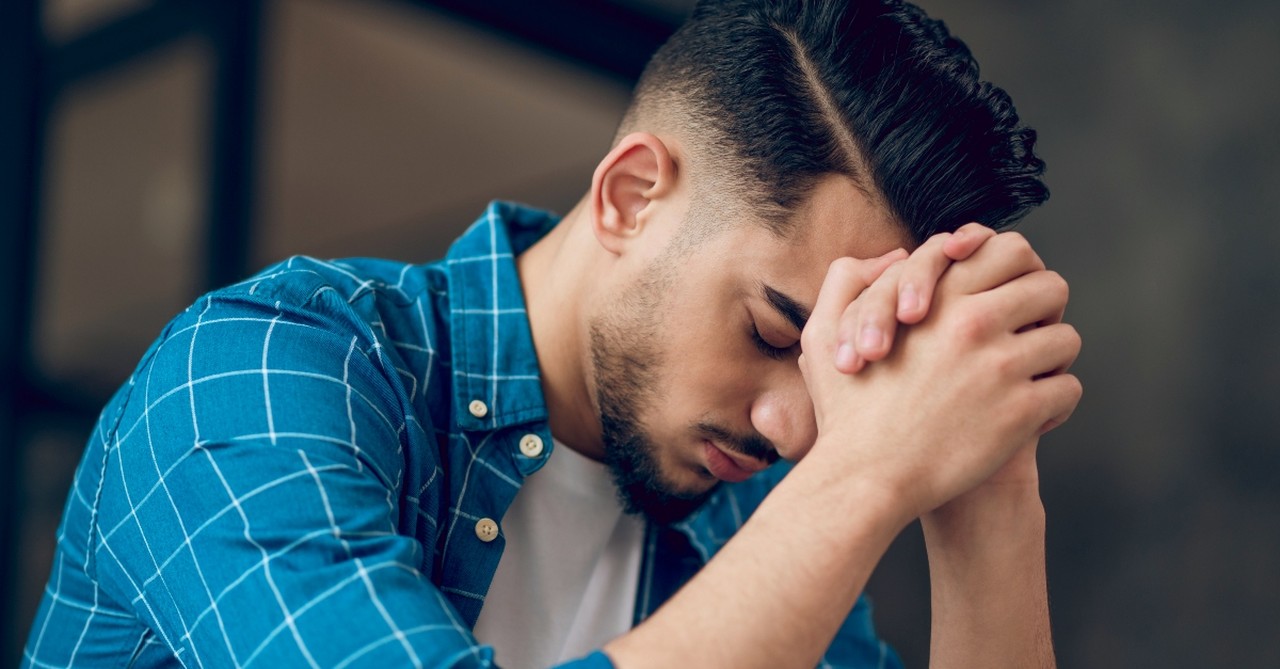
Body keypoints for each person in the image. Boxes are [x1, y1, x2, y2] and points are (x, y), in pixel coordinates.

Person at [23, 0, 1081, 667]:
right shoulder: (253, 374)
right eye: (772, 331)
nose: (797, 427)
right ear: (628, 196)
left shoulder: (745, 521)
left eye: (833, 363)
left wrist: (989, 496)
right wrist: (862, 480)